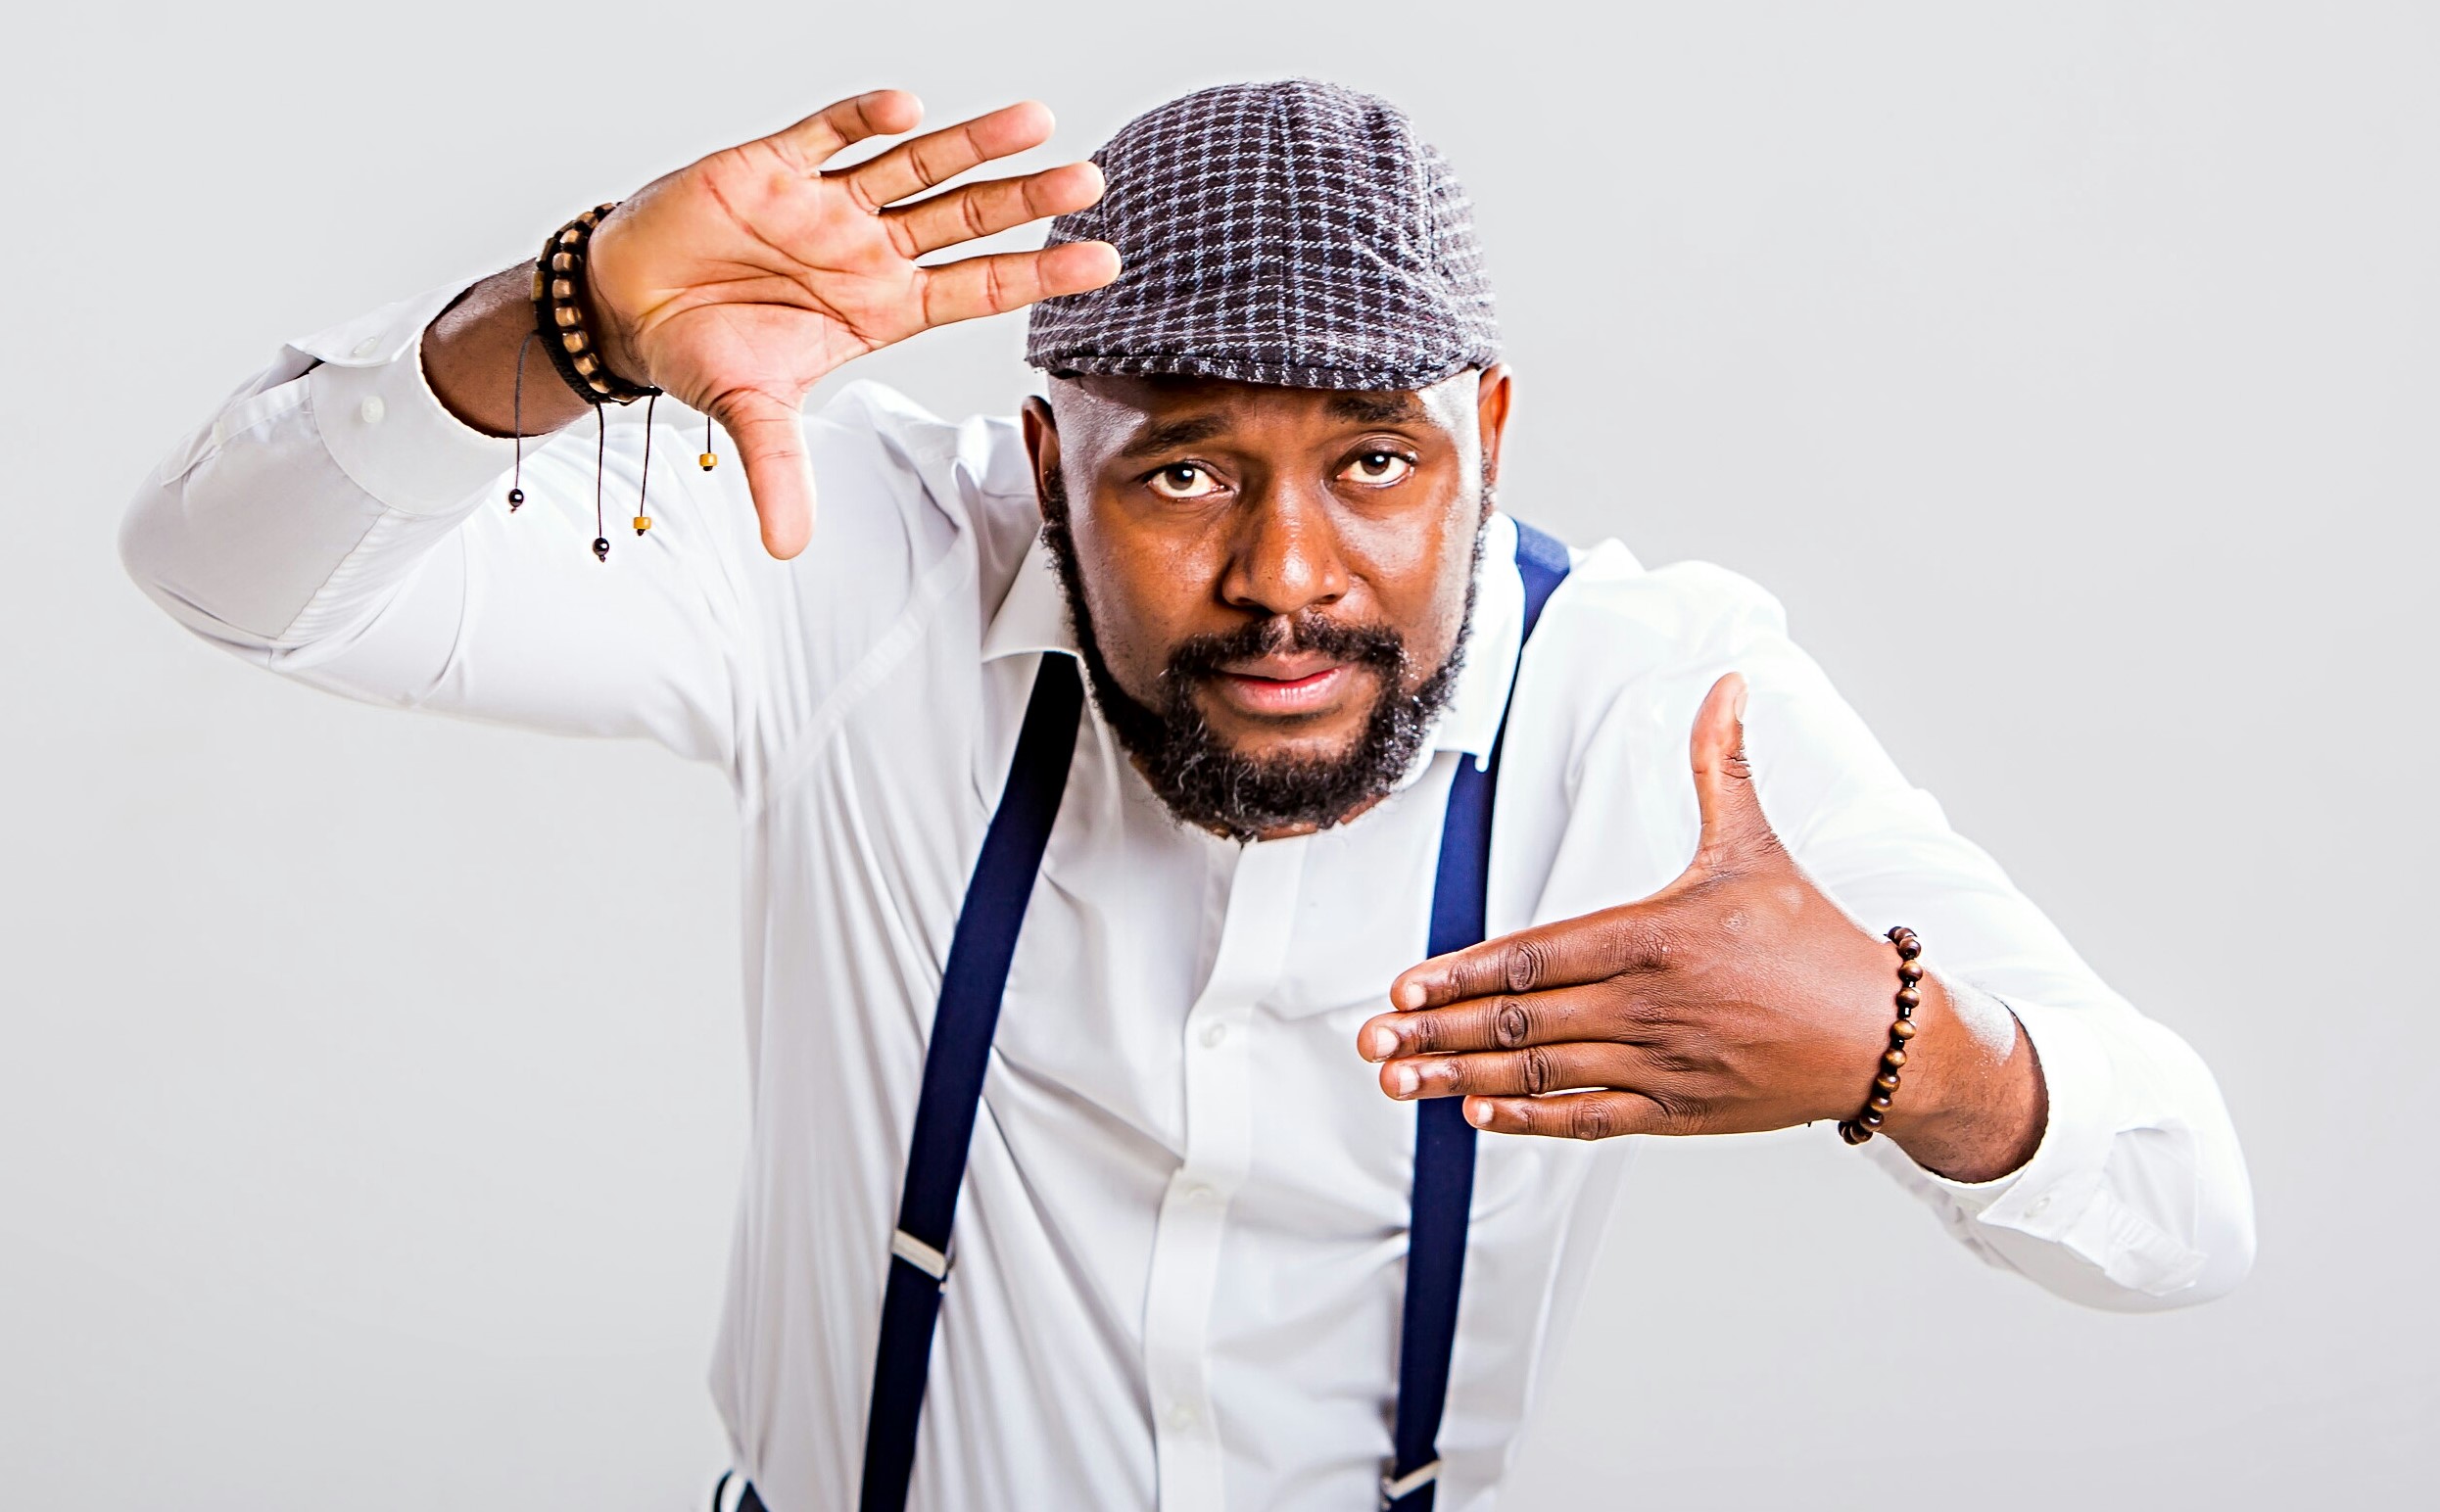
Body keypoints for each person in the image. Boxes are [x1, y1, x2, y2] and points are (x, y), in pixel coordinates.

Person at [120, 79, 2252, 1512]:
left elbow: (2181, 1214)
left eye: (1376, 461)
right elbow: (226, 573)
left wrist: (1913, 1055)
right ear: (1048, 459)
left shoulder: (1653, 702)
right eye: (1187, 470)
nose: (1287, 576)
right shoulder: (853, 563)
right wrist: (565, 323)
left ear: (1490, 438)